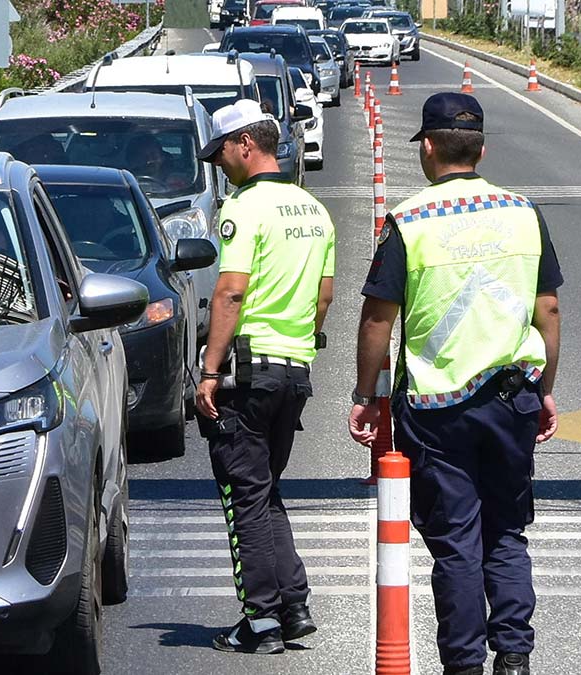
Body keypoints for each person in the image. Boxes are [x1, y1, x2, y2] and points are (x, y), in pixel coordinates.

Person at [349, 93, 562, 675]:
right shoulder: (524, 212)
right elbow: (547, 308)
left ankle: (464, 663)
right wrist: (544, 388)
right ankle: (514, 655)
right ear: (482, 147)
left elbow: (377, 318)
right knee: (507, 531)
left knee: (456, 541)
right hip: (513, 396)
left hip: (438, 408)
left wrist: (367, 396)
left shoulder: (410, 221)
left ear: (427, 146)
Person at [194, 99, 336, 654]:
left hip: (246, 376)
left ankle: (259, 621)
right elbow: (323, 298)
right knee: (264, 488)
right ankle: (293, 606)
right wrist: (297, 339)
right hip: (294, 372)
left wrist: (209, 372)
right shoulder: (314, 210)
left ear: (246, 145)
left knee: (242, 497)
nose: (218, 162)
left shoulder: (243, 207)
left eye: (222, 151)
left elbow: (231, 290)